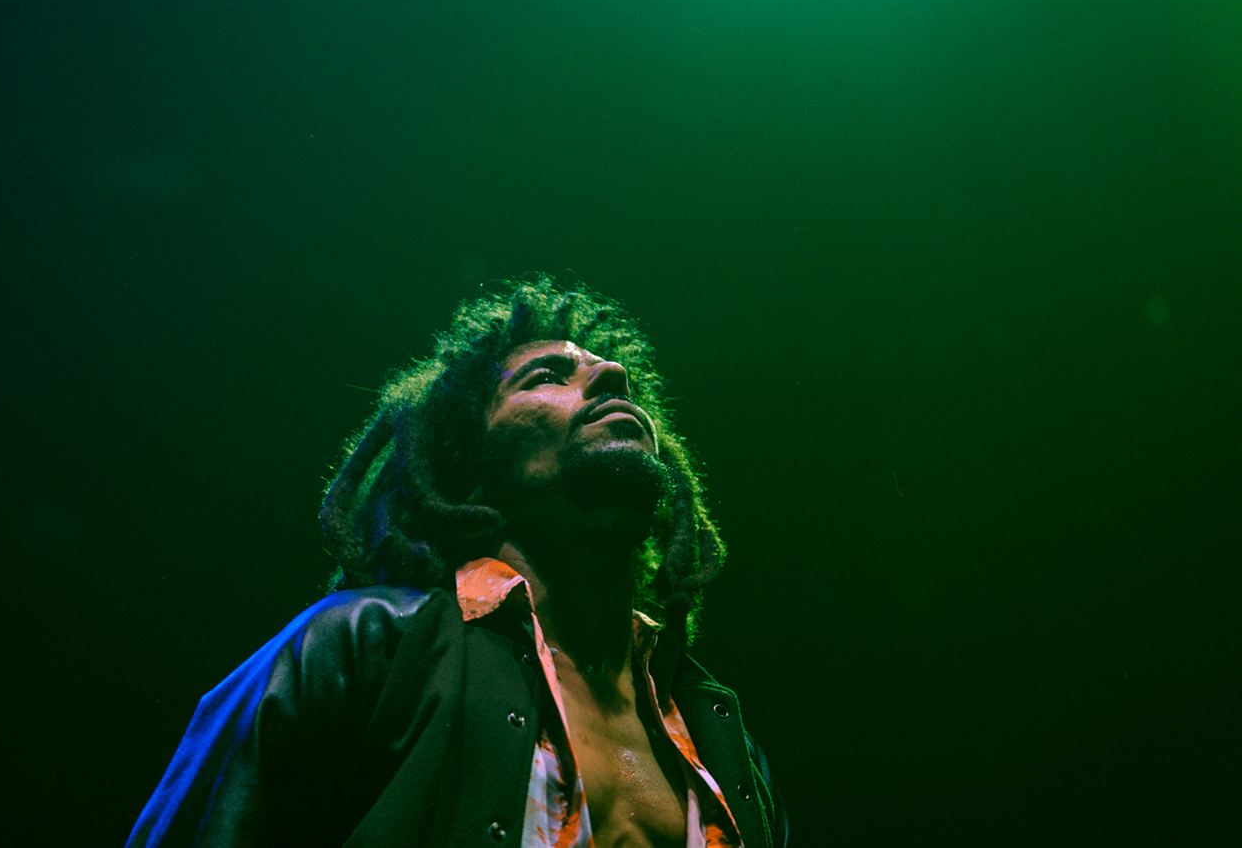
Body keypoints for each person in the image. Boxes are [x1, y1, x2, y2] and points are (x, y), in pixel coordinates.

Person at [126, 276, 789, 848]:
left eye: (617, 378)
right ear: (465, 459)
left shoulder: (714, 728)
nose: (612, 378)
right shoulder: (362, 647)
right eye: (549, 374)